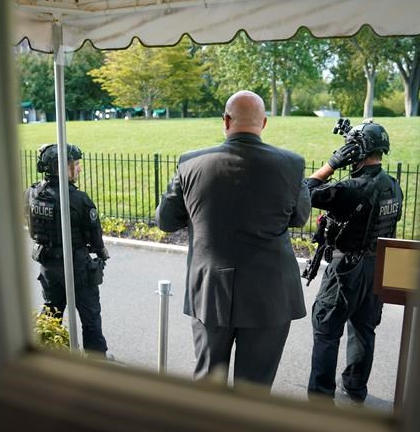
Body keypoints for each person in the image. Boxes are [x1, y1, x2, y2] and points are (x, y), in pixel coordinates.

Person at [155, 90, 311, 390]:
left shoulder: (190, 163)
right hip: (270, 294)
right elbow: (300, 217)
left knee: (207, 385)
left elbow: (165, 221)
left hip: (211, 290)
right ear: (263, 123)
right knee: (253, 391)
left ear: (225, 121)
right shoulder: (291, 165)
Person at [306, 119, 403, 404]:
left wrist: (331, 164)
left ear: (356, 150)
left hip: (345, 270)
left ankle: (321, 398)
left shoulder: (350, 188)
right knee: (364, 329)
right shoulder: (393, 187)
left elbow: (303, 192)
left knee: (326, 329)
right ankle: (355, 388)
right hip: (377, 268)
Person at [25, 143, 111, 358]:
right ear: (60, 167)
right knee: (90, 315)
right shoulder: (79, 200)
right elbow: (95, 235)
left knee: (52, 312)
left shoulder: (32, 193)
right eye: (75, 165)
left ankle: (51, 355)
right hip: (76, 265)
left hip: (47, 262)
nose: (79, 169)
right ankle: (96, 360)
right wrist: (101, 254)